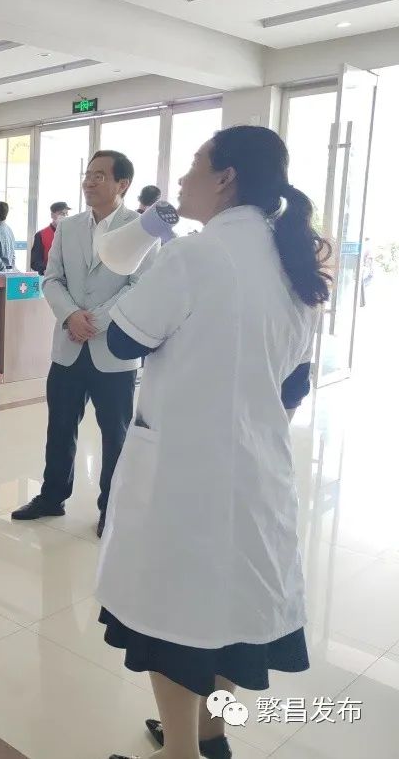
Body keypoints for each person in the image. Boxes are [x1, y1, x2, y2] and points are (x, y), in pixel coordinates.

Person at [101, 126, 327, 759]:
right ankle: (210, 737)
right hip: (256, 468)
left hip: (184, 472)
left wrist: (143, 257)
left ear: (225, 177)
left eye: (194, 164)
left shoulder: (196, 256)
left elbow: (122, 340)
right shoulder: (293, 261)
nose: (181, 179)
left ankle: (179, 752)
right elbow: (296, 382)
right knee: (227, 610)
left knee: (171, 616)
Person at [12, 151, 155, 537]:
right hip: (68, 348)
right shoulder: (69, 226)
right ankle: (52, 497)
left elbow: (140, 285)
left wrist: (95, 321)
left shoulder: (141, 229)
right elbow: (51, 278)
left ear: (122, 184)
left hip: (113, 352)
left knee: (115, 435)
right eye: (88, 174)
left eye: (99, 176)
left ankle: (112, 508)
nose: (89, 182)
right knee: (60, 428)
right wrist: (70, 315)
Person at [30, 201, 70, 274]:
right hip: (49, 276)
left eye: (66, 214)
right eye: (61, 213)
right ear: (52, 215)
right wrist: (45, 270)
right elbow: (35, 262)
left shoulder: (72, 234)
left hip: (70, 276)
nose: (64, 216)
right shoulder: (41, 235)